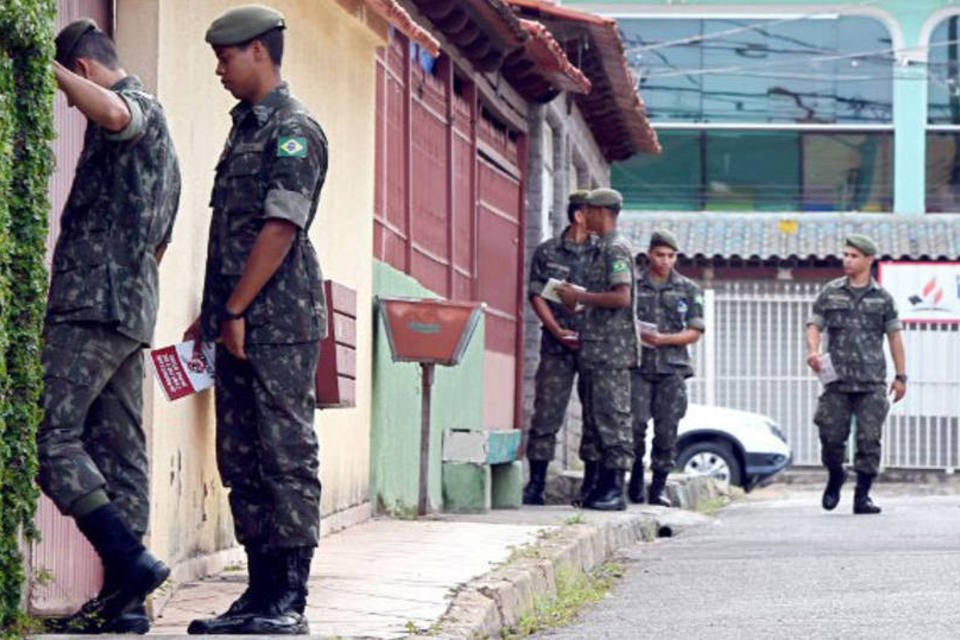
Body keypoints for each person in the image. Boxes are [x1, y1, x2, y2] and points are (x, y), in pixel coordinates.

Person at [184, 5, 328, 635]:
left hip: (279, 322)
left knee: (284, 455)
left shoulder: (292, 130)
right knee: (240, 458)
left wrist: (237, 308)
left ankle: (289, 602)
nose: (218, 69)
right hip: (237, 321)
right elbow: (232, 233)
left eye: (225, 57)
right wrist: (212, 313)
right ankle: (258, 593)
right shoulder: (244, 129)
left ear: (259, 54)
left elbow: (280, 227)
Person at [37, 18, 180, 633]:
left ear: (87, 69)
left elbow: (119, 114)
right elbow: (161, 242)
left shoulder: (136, 111)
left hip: (92, 306)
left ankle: (130, 562)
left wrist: (49, 70)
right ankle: (126, 609)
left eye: (74, 90)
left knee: (50, 436)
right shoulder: (165, 147)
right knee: (122, 453)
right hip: (129, 311)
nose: (73, 104)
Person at [806, 234, 907, 515]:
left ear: (868, 260)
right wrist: (813, 351)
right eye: (846, 254)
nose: (847, 260)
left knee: (868, 440)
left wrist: (901, 377)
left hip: (871, 382)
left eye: (853, 256)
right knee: (830, 436)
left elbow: (895, 338)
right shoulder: (831, 292)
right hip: (836, 381)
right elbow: (814, 325)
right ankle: (836, 474)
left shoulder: (883, 298)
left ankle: (862, 496)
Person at [558, 188, 636, 511]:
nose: (583, 215)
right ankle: (602, 486)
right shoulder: (598, 249)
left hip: (612, 351)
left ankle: (615, 490)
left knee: (612, 418)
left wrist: (581, 297)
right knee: (596, 420)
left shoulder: (615, 249)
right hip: (595, 348)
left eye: (587, 209)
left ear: (602, 212)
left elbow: (621, 297)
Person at [522, 190, 596, 506]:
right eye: (595, 212)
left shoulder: (604, 252)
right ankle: (536, 483)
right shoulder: (548, 251)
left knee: (596, 413)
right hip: (556, 343)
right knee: (547, 412)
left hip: (594, 344)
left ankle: (591, 486)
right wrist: (555, 329)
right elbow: (536, 294)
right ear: (579, 215)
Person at [629, 230, 705, 506]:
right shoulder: (635, 285)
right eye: (660, 255)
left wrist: (663, 339)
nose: (665, 261)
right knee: (634, 426)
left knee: (667, 430)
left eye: (671, 256)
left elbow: (695, 331)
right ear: (650, 254)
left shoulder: (688, 289)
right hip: (638, 366)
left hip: (671, 369)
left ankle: (658, 488)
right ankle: (635, 480)